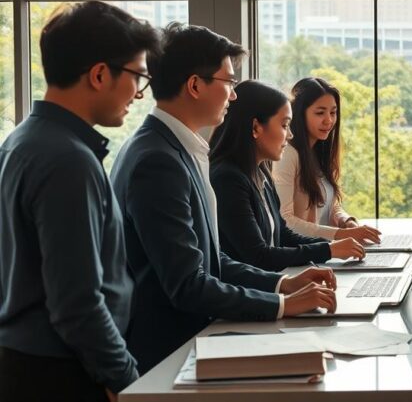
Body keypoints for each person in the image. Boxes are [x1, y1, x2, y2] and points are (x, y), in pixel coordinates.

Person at [111, 24, 337, 374]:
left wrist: (282, 284)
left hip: (196, 340)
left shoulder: (177, 149)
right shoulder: (157, 161)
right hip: (169, 356)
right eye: (229, 82)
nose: (233, 96)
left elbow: (210, 260)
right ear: (195, 85)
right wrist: (282, 304)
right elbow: (188, 284)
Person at [0, 2, 158, 401]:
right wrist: (126, 379)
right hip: (64, 373)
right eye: (138, 77)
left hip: (28, 365)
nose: (140, 94)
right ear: (100, 74)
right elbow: (77, 303)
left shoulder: (21, 141)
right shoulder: (68, 160)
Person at [210, 80, 367, 272]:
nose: (290, 135)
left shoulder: (260, 173)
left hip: (271, 281)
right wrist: (329, 249)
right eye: (285, 125)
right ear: (256, 128)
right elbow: (259, 255)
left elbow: (283, 235)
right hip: (252, 288)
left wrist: (333, 247)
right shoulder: (228, 179)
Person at [272, 77, 379, 244]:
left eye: (333, 112)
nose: (328, 120)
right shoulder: (288, 154)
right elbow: (285, 221)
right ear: (300, 114)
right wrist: (339, 234)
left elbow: (329, 205)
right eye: (320, 113)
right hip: (303, 254)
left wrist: (346, 222)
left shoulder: (319, 151)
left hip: (327, 251)